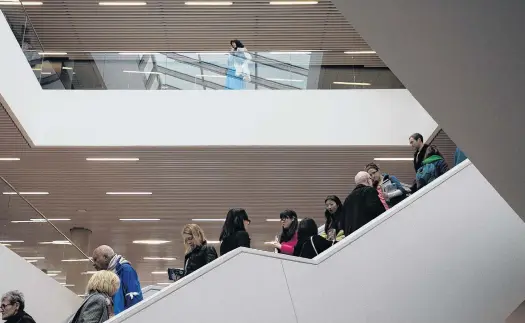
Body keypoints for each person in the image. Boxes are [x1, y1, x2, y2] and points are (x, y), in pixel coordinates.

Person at [92, 245, 143, 315]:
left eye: (95, 259)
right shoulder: (110, 273)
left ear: (105, 257)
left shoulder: (126, 270)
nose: (93, 264)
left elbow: (134, 300)